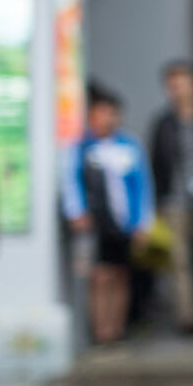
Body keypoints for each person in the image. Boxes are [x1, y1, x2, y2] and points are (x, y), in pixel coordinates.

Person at [63, 86, 155, 346]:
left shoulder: (129, 146)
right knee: (100, 277)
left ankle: (117, 329)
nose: (107, 119)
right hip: (95, 223)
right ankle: (101, 331)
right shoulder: (81, 147)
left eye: (112, 113)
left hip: (123, 222)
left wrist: (141, 222)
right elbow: (71, 181)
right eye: (102, 113)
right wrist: (77, 212)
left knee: (121, 275)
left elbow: (142, 185)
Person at [149, 60, 193, 333]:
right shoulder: (164, 124)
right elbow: (156, 164)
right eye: (173, 83)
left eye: (183, 81)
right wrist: (158, 202)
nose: (178, 88)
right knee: (180, 263)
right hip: (176, 201)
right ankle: (187, 318)